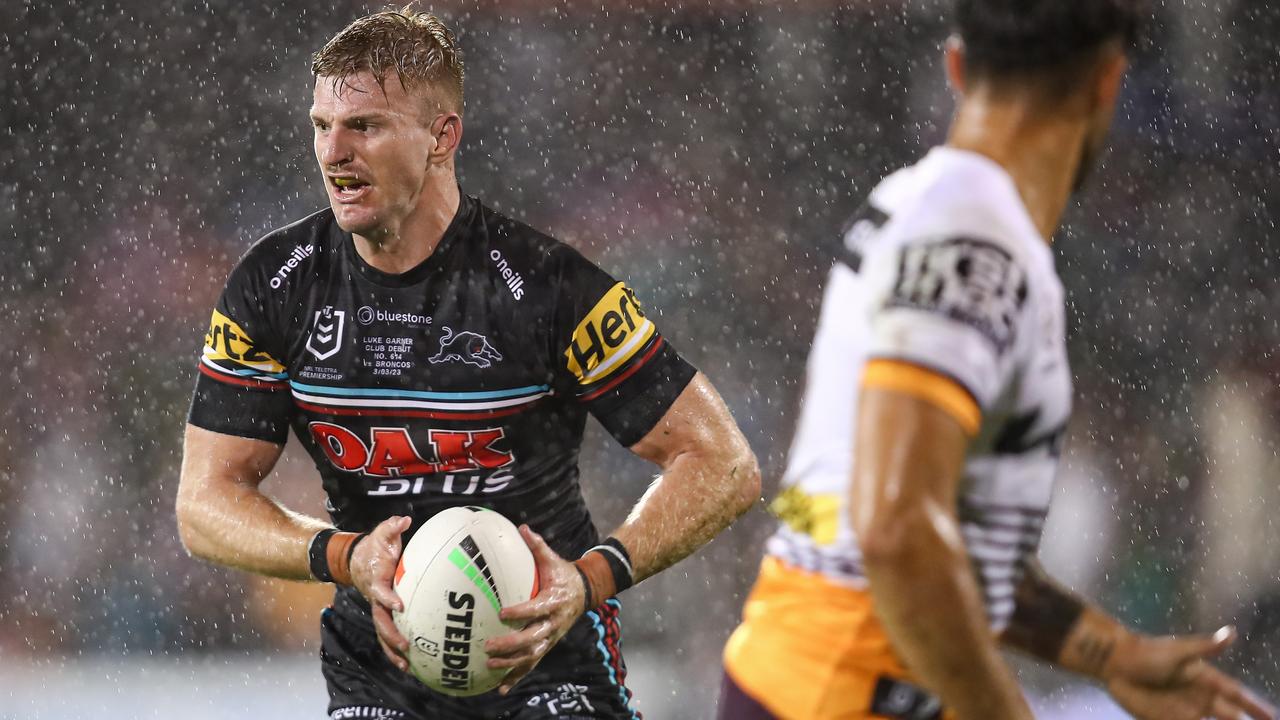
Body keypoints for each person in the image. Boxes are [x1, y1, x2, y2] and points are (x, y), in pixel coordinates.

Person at [175, 8, 760, 719]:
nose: (335, 153)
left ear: (442, 137)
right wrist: (344, 556)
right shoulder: (275, 285)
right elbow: (204, 505)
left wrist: (590, 578)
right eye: (322, 126)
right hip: (377, 669)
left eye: (366, 125)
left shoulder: (548, 286)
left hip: (548, 663)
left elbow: (723, 463)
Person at [719, 1, 1276, 719]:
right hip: (847, 694)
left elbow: (891, 528)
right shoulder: (974, 240)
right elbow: (897, 535)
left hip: (805, 680)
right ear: (1107, 83)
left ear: (956, 67)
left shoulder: (921, 204)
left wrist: (1106, 652)